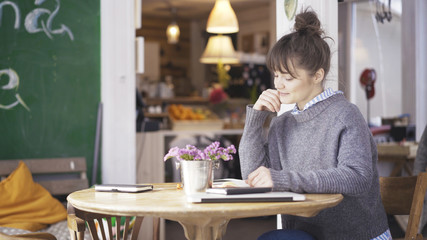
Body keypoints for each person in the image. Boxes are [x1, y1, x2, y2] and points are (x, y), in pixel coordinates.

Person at [238, 9, 390, 240]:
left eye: (288, 78)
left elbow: (357, 177)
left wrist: (282, 179)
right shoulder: (281, 124)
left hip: (354, 236)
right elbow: (253, 176)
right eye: (276, 75)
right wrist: (256, 120)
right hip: (304, 234)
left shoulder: (345, 114)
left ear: (317, 76)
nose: (279, 84)